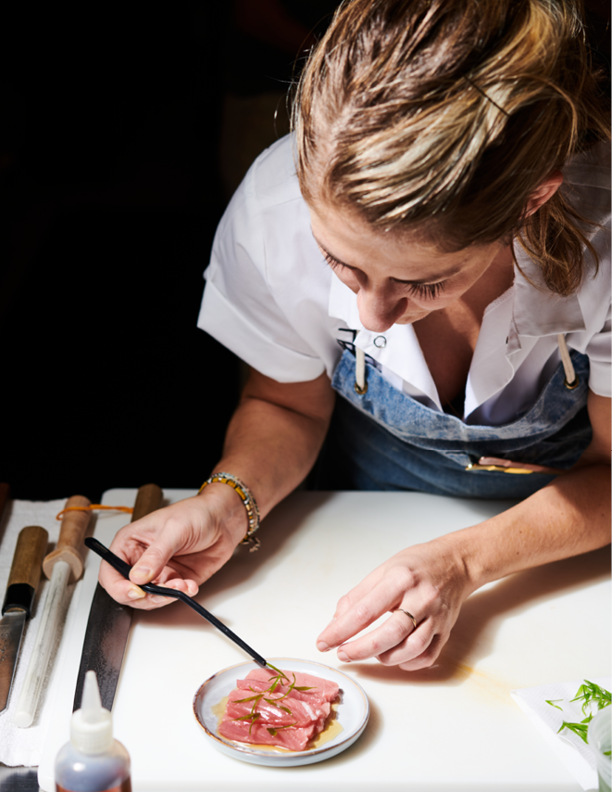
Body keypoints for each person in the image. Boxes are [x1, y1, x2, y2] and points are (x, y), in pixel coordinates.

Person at [100, 0, 610, 672]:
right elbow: (287, 404)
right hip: (355, 528)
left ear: (532, 201)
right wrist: (227, 501)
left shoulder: (605, 232)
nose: (371, 317)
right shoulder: (273, 208)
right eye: (339, 264)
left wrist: (467, 560)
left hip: (570, 559)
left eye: (422, 283)